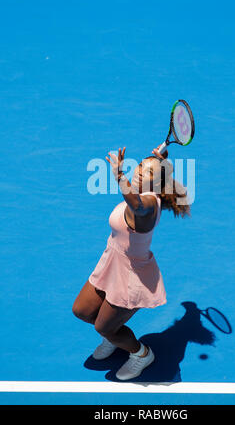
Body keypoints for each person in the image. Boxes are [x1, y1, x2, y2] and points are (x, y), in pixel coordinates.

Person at [72, 145, 190, 380]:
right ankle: (114, 336)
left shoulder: (146, 207)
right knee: (82, 311)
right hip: (111, 262)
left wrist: (118, 175)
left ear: (156, 184)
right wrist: (160, 159)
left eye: (147, 174)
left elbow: (136, 204)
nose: (138, 173)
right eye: (139, 168)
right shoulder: (144, 190)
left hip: (131, 277)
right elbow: (151, 176)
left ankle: (141, 354)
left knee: (103, 327)